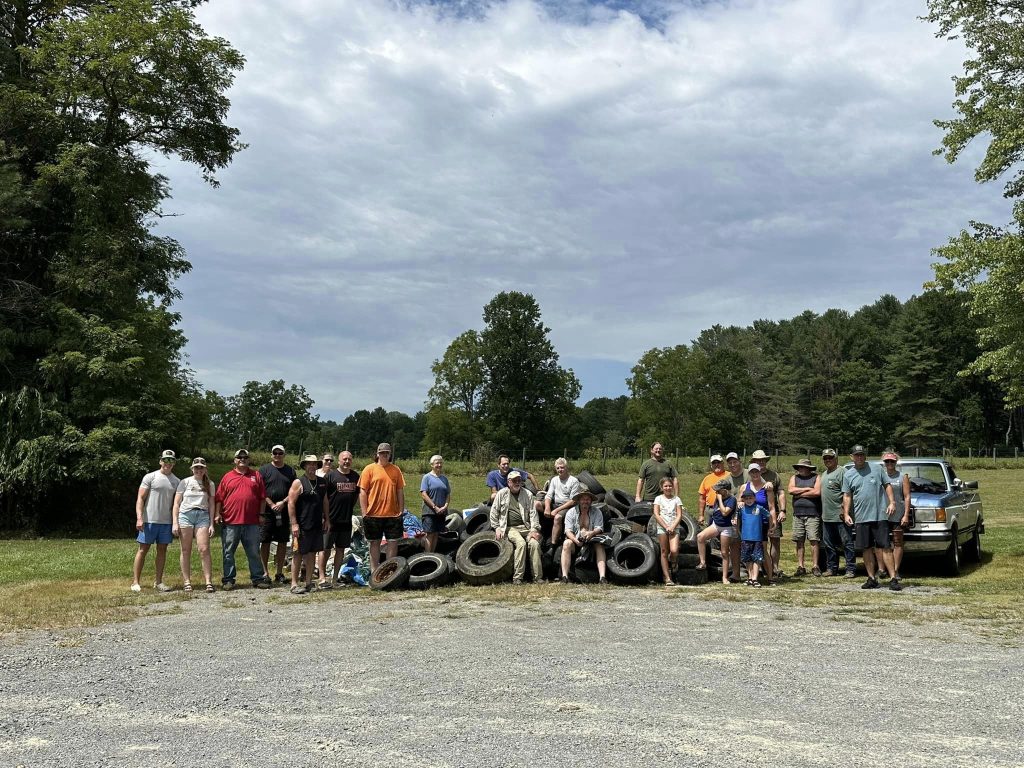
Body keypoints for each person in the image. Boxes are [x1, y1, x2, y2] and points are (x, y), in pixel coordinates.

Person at [841, 445, 898, 591]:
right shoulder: (848, 475)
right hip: (861, 518)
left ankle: (893, 578)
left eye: (861, 455)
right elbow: (847, 495)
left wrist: (892, 502)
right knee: (866, 549)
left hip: (879, 515)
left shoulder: (877, 469)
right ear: (851, 457)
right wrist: (846, 513)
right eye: (856, 455)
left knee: (885, 547)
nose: (859, 457)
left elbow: (887, 485)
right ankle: (871, 578)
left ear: (865, 456)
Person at [214, 449, 271, 590]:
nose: (242, 459)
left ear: (248, 460)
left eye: (245, 457)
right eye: (239, 457)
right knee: (228, 552)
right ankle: (228, 579)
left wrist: (261, 514)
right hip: (231, 521)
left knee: (253, 552)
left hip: (251, 521)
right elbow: (219, 498)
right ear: (234, 460)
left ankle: (257, 578)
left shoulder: (256, 475)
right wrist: (217, 514)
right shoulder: (227, 477)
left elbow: (262, 498)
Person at [131, 449, 180, 592]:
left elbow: (177, 503)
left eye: (171, 460)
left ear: (174, 463)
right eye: (165, 460)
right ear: (161, 461)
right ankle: (135, 582)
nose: (168, 463)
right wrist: (140, 518)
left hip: (166, 522)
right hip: (149, 521)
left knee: (162, 550)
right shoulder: (150, 477)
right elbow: (140, 498)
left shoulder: (177, 481)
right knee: (143, 549)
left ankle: (158, 582)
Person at [358, 442, 406, 573]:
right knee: (374, 543)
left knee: (393, 542)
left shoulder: (396, 470)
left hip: (393, 514)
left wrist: (401, 511)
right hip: (373, 514)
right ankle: (374, 571)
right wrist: (364, 512)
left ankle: (389, 571)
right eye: (382, 453)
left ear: (390, 454)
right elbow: (363, 491)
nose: (384, 455)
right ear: (377, 454)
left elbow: (400, 491)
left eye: (387, 453)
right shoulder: (369, 469)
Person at [489, 471, 543, 584]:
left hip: (526, 527)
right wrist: (497, 527)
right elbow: (494, 512)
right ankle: (518, 577)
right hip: (509, 528)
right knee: (521, 543)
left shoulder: (527, 494)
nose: (517, 482)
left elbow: (533, 514)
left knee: (534, 544)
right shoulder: (501, 494)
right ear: (509, 482)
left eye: (519, 480)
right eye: (514, 481)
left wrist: (534, 530)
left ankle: (538, 578)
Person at [171, 457, 216, 593]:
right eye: (196, 467)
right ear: (192, 469)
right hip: (185, 516)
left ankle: (208, 581)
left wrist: (211, 523)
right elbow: (177, 503)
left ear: (205, 469)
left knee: (204, 549)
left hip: (202, 516)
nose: (199, 470)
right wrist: (175, 522)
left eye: (201, 467)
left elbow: (212, 504)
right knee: (185, 550)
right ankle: (187, 582)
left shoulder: (210, 484)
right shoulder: (184, 482)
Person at [287, 454, 330, 595]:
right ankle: (294, 583)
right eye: (309, 464)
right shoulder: (298, 482)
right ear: (304, 466)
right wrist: (294, 524)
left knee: (312, 554)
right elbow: (291, 503)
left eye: (314, 464)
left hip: (316, 524)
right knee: (298, 554)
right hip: (302, 525)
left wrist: (327, 519)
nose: (312, 466)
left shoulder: (322, 482)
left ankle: (308, 582)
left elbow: (325, 501)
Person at [319, 450, 360, 585]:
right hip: (330, 520)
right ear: (339, 460)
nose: (347, 461)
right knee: (325, 549)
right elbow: (323, 497)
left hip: (346, 520)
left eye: (349, 459)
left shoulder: (355, 477)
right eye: (344, 459)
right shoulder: (330, 476)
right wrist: (325, 518)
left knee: (341, 549)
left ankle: (335, 578)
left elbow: (355, 497)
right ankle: (322, 577)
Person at [258, 444, 296, 584]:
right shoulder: (263, 470)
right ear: (271, 454)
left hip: (284, 511)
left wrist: (283, 502)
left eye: (280, 453)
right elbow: (260, 491)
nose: (277, 455)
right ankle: (265, 573)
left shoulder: (290, 471)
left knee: (282, 542)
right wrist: (271, 504)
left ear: (284, 455)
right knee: (265, 541)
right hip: (267, 512)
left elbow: (294, 490)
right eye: (275, 453)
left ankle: (279, 572)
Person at [820, 448, 856, 578]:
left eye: (830, 458)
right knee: (829, 545)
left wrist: (844, 510)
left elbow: (847, 493)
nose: (828, 460)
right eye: (825, 458)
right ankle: (832, 568)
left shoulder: (842, 472)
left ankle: (850, 569)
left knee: (847, 543)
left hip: (840, 516)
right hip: (826, 516)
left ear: (836, 459)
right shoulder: (824, 474)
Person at [560, 488, 608, 585]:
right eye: (583, 499)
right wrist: (575, 540)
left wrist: (591, 533)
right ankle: (564, 576)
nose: (585, 501)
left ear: (591, 501)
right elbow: (568, 531)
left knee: (600, 545)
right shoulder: (571, 512)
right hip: (575, 541)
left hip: (591, 542)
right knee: (566, 543)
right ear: (579, 500)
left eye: (587, 499)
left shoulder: (597, 512)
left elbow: (599, 528)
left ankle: (602, 577)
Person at [751, 449, 786, 579]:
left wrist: (782, 510)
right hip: (755, 514)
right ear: (753, 462)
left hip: (772, 511)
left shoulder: (774, 475)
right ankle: (759, 567)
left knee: (775, 540)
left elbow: (781, 493)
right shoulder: (750, 474)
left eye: (763, 460)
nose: (761, 462)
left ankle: (774, 567)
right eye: (758, 460)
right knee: (757, 541)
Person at [740, 463, 777, 585]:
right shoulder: (745, 487)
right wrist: (739, 503)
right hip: (749, 523)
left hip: (763, 522)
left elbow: (771, 507)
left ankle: (770, 577)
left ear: (760, 472)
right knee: (749, 551)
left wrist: (774, 523)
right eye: (752, 472)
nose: (755, 474)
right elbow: (740, 503)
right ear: (749, 473)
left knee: (763, 550)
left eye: (757, 472)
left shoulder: (766, 487)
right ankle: (752, 577)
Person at [696, 479, 738, 583]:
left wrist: (719, 500)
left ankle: (724, 577)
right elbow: (715, 511)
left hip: (726, 528)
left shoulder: (731, 499)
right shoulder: (718, 496)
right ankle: (703, 562)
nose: (717, 492)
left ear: (725, 490)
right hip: (716, 525)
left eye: (719, 491)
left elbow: (725, 513)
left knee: (724, 552)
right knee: (700, 537)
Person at [881, 450, 912, 584]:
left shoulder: (902, 477)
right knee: (882, 543)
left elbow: (907, 496)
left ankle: (895, 570)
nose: (889, 463)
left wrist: (906, 514)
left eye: (892, 461)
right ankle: (882, 569)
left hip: (898, 515)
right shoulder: (880, 476)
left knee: (898, 542)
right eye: (887, 461)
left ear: (896, 462)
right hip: (882, 515)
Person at [788, 458, 823, 576]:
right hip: (797, 514)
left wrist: (799, 494)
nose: (801, 469)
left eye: (803, 467)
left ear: (809, 468)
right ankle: (800, 566)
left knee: (814, 540)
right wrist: (807, 489)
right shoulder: (794, 478)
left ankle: (815, 566)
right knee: (799, 540)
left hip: (813, 514)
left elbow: (817, 492)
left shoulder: (816, 477)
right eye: (799, 467)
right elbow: (790, 489)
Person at [652, 476, 684, 585]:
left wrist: (673, 526)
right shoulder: (658, 499)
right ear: (662, 487)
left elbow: (679, 515)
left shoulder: (677, 499)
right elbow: (656, 514)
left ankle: (674, 561)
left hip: (674, 527)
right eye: (665, 486)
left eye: (670, 486)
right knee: (664, 551)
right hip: (662, 527)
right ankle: (667, 577)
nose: (668, 488)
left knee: (674, 550)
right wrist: (666, 526)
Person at [738, 487, 773, 587]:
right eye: (746, 498)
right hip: (745, 538)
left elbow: (769, 515)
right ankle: (750, 577)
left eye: (750, 498)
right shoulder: (742, 509)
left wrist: (770, 528)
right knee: (748, 559)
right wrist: (738, 531)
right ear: (743, 499)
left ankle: (755, 578)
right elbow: (738, 520)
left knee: (757, 559)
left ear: (754, 498)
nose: (748, 500)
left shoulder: (759, 507)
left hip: (757, 538)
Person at [543, 457, 581, 545]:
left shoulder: (573, 481)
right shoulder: (554, 480)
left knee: (557, 517)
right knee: (536, 504)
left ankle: (553, 544)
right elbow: (548, 495)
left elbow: (573, 501)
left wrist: (556, 510)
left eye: (562, 467)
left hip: (567, 506)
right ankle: (540, 532)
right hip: (555, 504)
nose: (560, 469)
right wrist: (547, 508)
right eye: (558, 468)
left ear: (567, 468)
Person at [419, 454, 451, 553]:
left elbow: (448, 494)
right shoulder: (427, 477)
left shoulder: (444, 479)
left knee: (436, 534)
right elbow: (424, 494)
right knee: (430, 534)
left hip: (441, 512)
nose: (439, 465)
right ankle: (427, 556)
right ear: (432, 465)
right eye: (437, 463)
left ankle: (433, 556)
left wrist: (445, 506)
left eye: (441, 463)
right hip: (429, 511)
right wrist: (434, 507)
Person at [697, 454, 729, 527]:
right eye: (714, 463)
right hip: (710, 510)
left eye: (718, 462)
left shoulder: (729, 475)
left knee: (725, 532)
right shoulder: (707, 478)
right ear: (711, 465)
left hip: (725, 508)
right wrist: (701, 515)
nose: (716, 464)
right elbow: (702, 498)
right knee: (711, 534)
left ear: (723, 463)